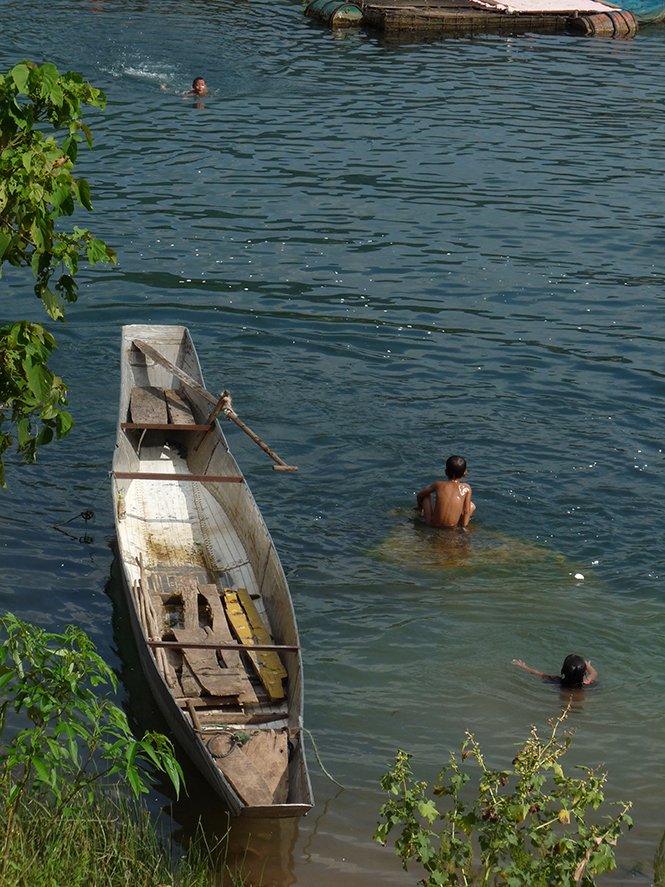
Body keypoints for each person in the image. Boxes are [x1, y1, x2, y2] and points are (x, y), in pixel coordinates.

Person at [414, 455, 476, 529]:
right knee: (471, 506)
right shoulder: (466, 488)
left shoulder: (438, 485)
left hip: (432, 524)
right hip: (452, 526)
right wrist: (464, 527)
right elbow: (466, 511)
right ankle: (460, 524)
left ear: (446, 472)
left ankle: (420, 510)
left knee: (427, 496)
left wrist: (420, 507)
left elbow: (419, 495)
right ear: (464, 474)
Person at [512, 654, 597, 688]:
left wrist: (524, 666)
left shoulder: (555, 680)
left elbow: (538, 674)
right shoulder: (587, 682)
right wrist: (586, 664)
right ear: (585, 672)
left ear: (562, 671)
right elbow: (593, 673)